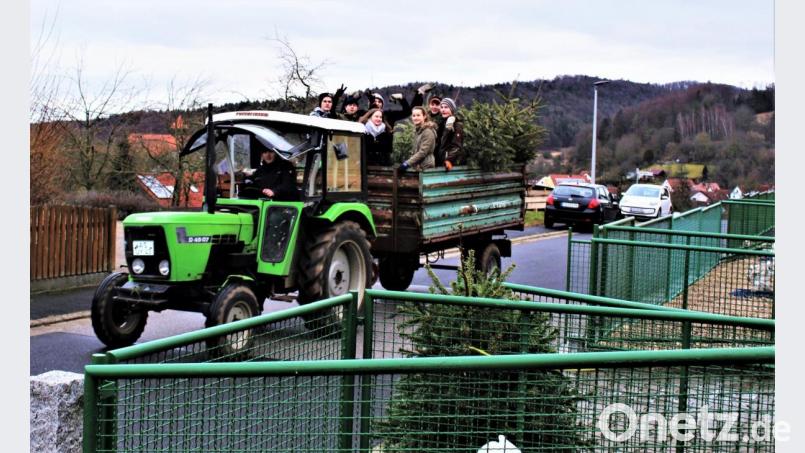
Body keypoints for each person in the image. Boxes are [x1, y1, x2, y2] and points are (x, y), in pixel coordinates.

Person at [364, 83, 434, 127]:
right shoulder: (363, 115)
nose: (377, 103)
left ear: (382, 105)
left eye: (379, 102)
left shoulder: (388, 116)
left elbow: (407, 112)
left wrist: (403, 99)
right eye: (374, 101)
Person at [399, 106, 436, 172]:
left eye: (418, 115)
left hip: (426, 167)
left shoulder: (427, 131)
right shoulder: (417, 131)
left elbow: (423, 152)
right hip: (418, 166)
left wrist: (407, 163)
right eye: (414, 116)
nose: (415, 118)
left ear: (424, 116)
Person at [436, 97, 465, 170]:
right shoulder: (441, 124)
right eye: (441, 107)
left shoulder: (456, 125)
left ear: (452, 109)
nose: (443, 110)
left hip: (450, 164)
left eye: (446, 107)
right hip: (440, 162)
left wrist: (449, 160)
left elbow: (457, 146)